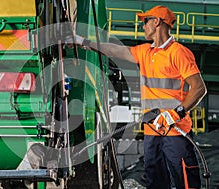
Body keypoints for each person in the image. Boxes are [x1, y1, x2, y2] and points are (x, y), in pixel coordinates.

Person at [67, 5, 207, 189]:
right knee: (155, 182)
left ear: (157, 22)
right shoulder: (145, 52)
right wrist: (83, 41)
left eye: (145, 21)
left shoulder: (179, 53)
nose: (142, 26)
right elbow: (115, 50)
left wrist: (175, 113)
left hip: (175, 132)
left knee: (185, 182)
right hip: (152, 132)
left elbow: (199, 88)